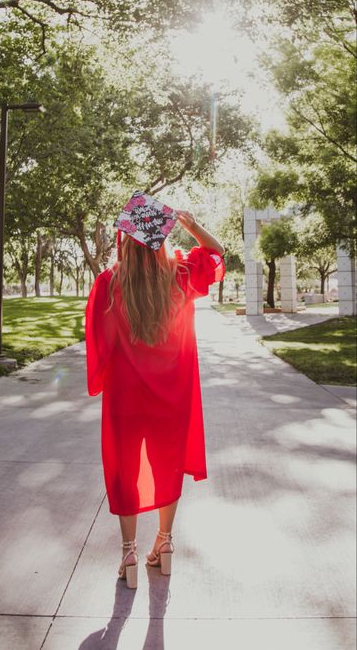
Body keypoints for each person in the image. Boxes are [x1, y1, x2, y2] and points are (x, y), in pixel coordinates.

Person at [84, 206, 225, 589]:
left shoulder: (109, 283)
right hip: (172, 396)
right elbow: (216, 253)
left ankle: (129, 551)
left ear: (125, 239)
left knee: (123, 469)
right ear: (161, 238)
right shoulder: (180, 275)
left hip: (126, 397)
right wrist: (193, 225)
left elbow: (97, 342)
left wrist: (98, 379)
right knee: (167, 466)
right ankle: (164, 543)